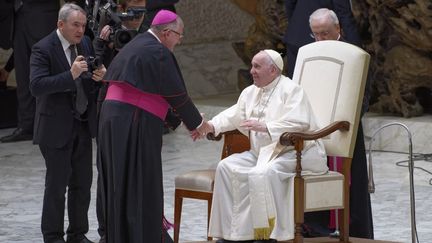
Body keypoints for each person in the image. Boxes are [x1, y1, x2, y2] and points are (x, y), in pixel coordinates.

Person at [97, 9, 211, 242]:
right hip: (132, 120)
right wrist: (197, 123)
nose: (180, 40)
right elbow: (177, 95)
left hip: (114, 119)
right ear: (168, 32)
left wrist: (177, 120)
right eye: (180, 35)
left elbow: (152, 90)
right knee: (139, 181)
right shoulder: (158, 51)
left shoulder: (139, 44)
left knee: (121, 181)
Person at [207, 49, 328, 243]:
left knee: (264, 173)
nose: (251, 71)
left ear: (273, 70)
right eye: (252, 66)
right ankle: (235, 234)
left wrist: (266, 127)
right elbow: (234, 115)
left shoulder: (291, 90)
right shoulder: (250, 92)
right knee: (226, 167)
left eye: (257, 66)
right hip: (262, 153)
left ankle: (269, 235)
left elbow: (300, 123)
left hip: (295, 152)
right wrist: (211, 125)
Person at [29, 3, 106, 243]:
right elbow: (36, 86)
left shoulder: (83, 44)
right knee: (56, 187)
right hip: (55, 128)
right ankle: (52, 237)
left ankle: (77, 234)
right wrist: (69, 75)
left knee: (82, 185)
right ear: (60, 24)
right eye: (76, 25)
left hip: (81, 124)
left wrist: (98, 77)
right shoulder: (42, 49)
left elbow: (85, 86)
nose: (81, 30)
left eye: (83, 25)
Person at [308, 8, 373, 239]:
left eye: (325, 33)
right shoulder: (309, 55)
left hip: (347, 129)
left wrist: (349, 116)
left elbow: (365, 95)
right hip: (316, 132)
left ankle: (355, 232)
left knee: (352, 184)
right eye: (315, 34)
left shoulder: (355, 55)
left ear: (339, 29)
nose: (320, 39)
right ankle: (317, 229)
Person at [0, 0, 59, 143]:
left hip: (42, 17)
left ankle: (51, 125)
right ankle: (26, 126)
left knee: (47, 73)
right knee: (23, 76)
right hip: (19, 18)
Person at [283, 0, 361, 79]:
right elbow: (344, 15)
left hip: (296, 36)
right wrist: (357, 50)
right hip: (320, 43)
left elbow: (289, 3)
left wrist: (296, 24)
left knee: (296, 84)